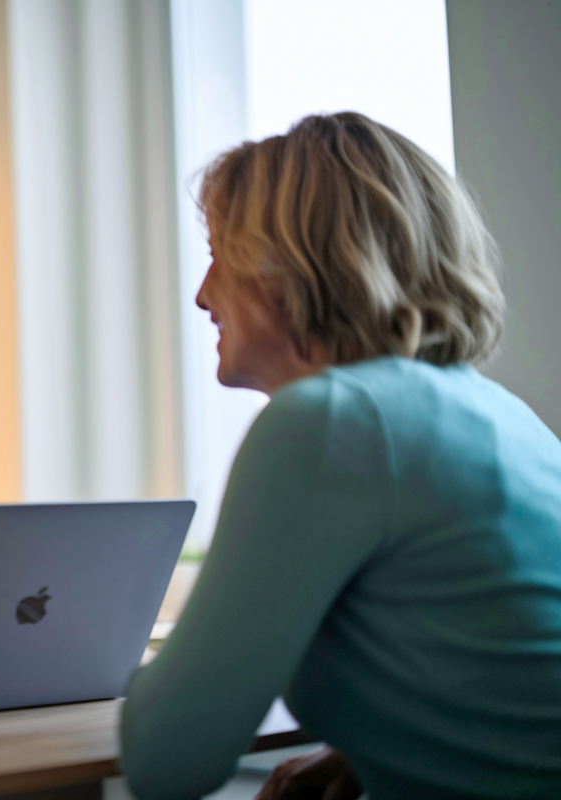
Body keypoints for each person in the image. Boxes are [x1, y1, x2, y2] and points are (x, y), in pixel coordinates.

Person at [121, 113, 561, 799]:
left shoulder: (330, 423)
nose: (204, 295)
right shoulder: (503, 415)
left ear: (291, 264)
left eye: (220, 255)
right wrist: (363, 756)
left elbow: (165, 763)